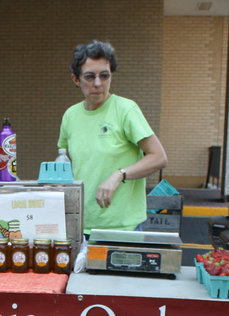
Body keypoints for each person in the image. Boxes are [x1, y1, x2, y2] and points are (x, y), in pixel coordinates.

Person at [58, 40, 168, 234]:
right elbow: (65, 165)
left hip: (123, 229)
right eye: (90, 77)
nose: (98, 83)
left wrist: (120, 174)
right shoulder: (70, 116)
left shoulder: (126, 110)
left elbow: (159, 157)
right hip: (81, 226)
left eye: (104, 75)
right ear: (76, 79)